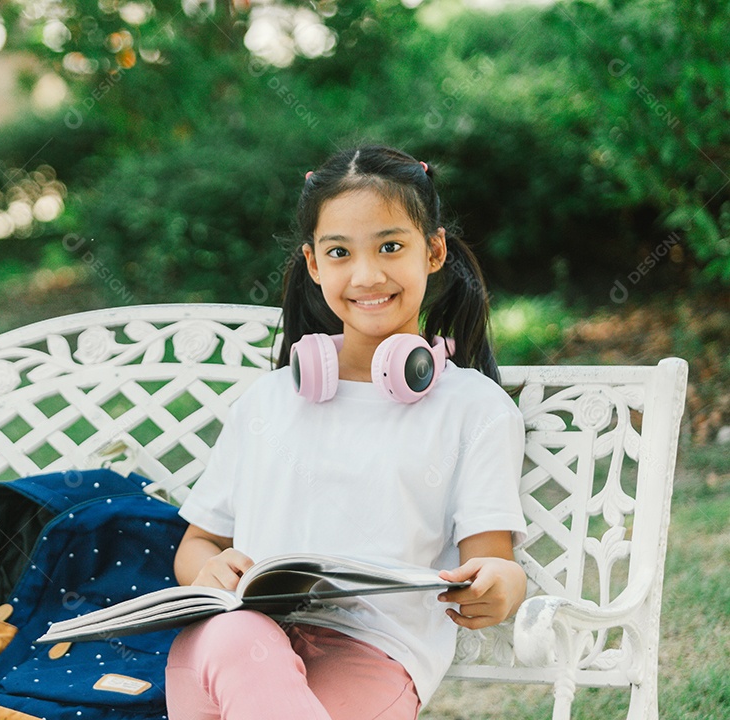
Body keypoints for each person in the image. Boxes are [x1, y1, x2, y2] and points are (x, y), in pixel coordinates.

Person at [164, 144, 529, 720]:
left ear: (433, 250)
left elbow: (492, 561)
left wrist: (500, 586)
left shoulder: (474, 408)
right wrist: (206, 570)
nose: (367, 274)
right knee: (237, 639)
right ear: (314, 265)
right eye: (340, 252)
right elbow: (197, 545)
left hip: (373, 656)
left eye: (390, 246)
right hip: (230, 646)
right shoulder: (267, 401)